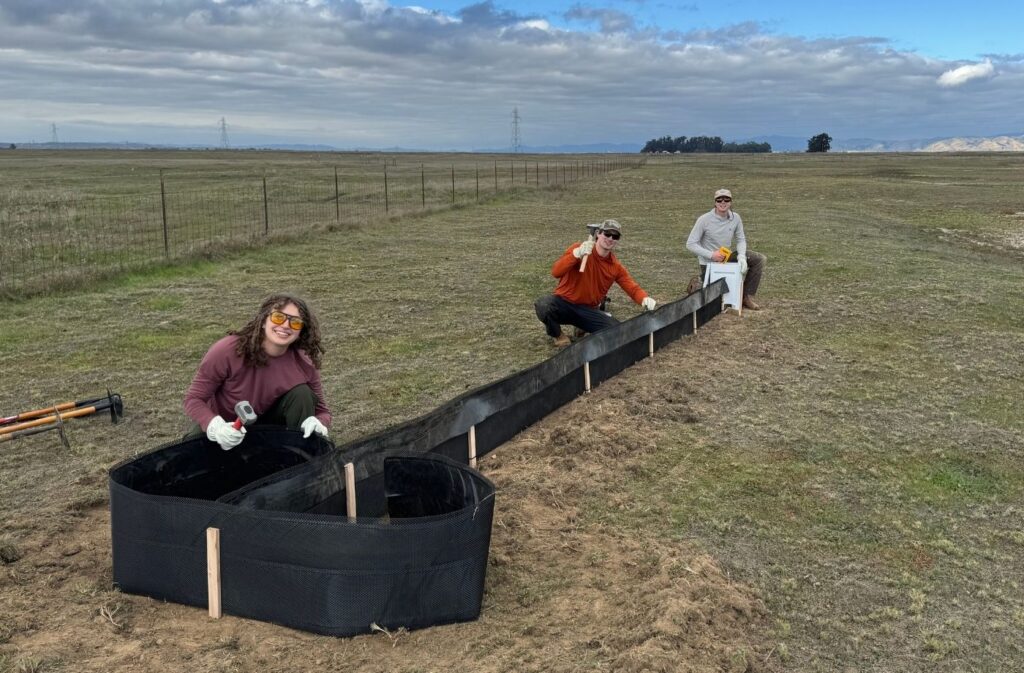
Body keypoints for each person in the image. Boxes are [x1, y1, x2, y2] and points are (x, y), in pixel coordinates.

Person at [183, 293, 332, 450]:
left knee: (302, 394)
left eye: (295, 322)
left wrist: (318, 422)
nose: (286, 326)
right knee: (193, 444)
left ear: (301, 331)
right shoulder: (227, 351)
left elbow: (323, 412)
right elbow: (194, 399)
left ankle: (297, 455)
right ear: (263, 321)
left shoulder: (304, 362)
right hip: (226, 426)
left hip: (270, 427)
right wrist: (215, 426)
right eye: (278, 317)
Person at [534, 219, 657, 347]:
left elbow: (632, 287)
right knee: (544, 305)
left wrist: (644, 298)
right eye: (607, 234)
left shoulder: (615, 266)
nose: (610, 238)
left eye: (615, 236)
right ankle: (558, 335)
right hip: (565, 303)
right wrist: (576, 255)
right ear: (598, 233)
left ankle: (581, 326)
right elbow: (556, 272)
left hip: (589, 310)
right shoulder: (580, 249)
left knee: (615, 331)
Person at [686, 188, 767, 310]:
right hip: (709, 262)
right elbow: (690, 243)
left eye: (726, 199)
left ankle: (745, 297)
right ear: (715, 202)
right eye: (719, 200)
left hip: (727, 258)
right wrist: (711, 255)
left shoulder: (736, 218)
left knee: (760, 259)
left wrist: (741, 257)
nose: (723, 202)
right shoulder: (704, 220)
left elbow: (740, 239)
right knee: (712, 303)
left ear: (731, 202)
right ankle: (698, 283)